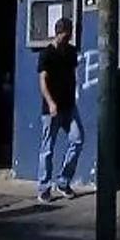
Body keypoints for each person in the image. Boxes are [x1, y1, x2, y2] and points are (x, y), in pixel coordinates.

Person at [35, 11, 83, 201]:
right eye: (67, 34)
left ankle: (63, 181)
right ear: (59, 33)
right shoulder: (47, 54)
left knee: (77, 140)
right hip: (52, 109)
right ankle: (44, 187)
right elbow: (43, 81)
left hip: (69, 106)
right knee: (47, 148)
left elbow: (73, 75)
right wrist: (51, 103)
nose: (69, 38)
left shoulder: (71, 53)